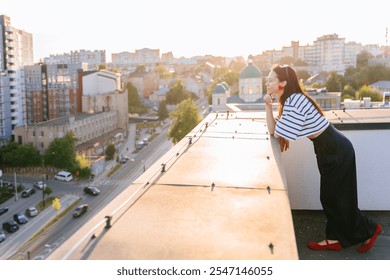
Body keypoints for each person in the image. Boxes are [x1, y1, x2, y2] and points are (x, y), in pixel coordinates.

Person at [264, 64, 382, 253]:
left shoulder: (294, 101)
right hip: (330, 147)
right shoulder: (291, 100)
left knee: (334, 197)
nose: (267, 83)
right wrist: (270, 105)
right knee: (334, 197)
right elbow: (278, 129)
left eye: (270, 80)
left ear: (283, 83)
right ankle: (335, 238)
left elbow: (276, 132)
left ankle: (369, 229)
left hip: (334, 148)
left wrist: (269, 106)